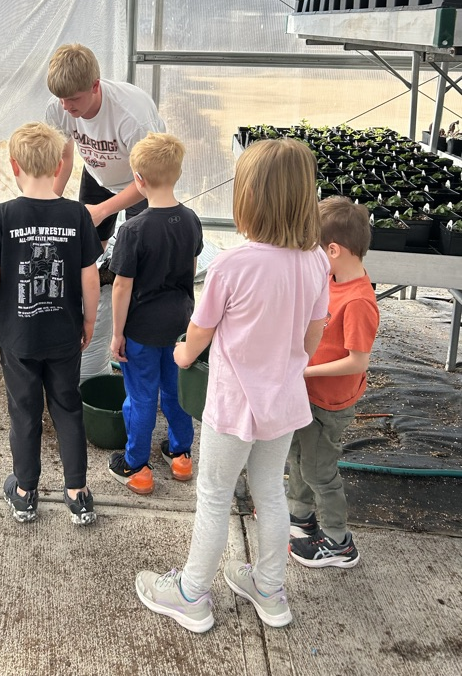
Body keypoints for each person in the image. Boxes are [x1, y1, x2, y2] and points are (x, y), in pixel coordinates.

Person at [134, 138, 330, 633]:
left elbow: (197, 334)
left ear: (248, 198)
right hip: (284, 401)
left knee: (216, 493)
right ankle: (268, 589)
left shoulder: (231, 265)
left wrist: (181, 354)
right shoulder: (316, 263)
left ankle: (192, 594)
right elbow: (311, 338)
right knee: (270, 489)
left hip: (234, 405)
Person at [0, 122, 102, 525]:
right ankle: (77, 492)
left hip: (19, 338)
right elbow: (90, 276)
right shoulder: (76, 215)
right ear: (60, 163)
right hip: (64, 334)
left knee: (24, 410)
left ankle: (26, 491)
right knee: (68, 407)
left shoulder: (2, 216)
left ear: (14, 165)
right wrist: (89, 320)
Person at [108, 133, 204, 495]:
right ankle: (181, 456)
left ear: (138, 179)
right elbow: (191, 269)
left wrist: (117, 334)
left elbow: (121, 287)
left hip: (142, 330)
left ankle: (136, 466)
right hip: (180, 324)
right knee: (177, 390)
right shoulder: (192, 219)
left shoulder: (133, 229)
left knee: (141, 395)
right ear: (177, 174)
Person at [287, 195, 379, 569]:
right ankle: (300, 515)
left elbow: (357, 362)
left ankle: (340, 542)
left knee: (320, 470)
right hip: (308, 394)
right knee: (297, 455)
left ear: (335, 249)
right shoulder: (330, 277)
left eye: (315, 249)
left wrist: (305, 371)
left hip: (329, 403)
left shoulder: (358, 301)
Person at [45, 44, 166, 249]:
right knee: (89, 244)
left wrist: (102, 211)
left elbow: (151, 179)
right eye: (61, 99)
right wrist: (48, 204)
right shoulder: (57, 108)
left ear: (95, 86)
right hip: (97, 172)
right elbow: (64, 159)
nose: (66, 107)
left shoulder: (132, 117)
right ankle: (99, 272)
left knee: (139, 248)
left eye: (73, 99)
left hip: (140, 180)